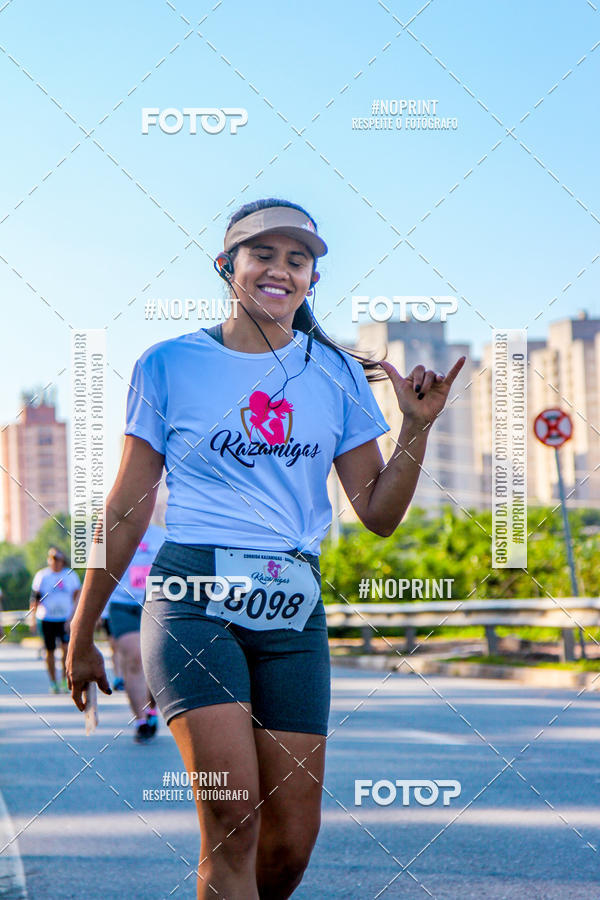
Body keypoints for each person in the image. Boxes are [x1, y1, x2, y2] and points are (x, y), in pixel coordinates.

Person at [67, 198, 465, 898]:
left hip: (292, 608)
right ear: (228, 266)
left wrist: (416, 430)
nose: (281, 269)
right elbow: (126, 508)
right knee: (232, 821)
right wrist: (82, 629)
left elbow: (376, 515)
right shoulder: (168, 364)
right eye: (263, 254)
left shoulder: (336, 374)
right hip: (192, 600)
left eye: (298, 258)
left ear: (312, 277)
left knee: (290, 841)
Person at [106, 522, 166, 741]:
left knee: (155, 661)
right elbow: (98, 574)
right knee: (135, 658)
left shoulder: (163, 535)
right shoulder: (110, 534)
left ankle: (151, 709)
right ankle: (141, 720)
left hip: (155, 603)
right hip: (122, 606)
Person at [31, 547, 81, 693]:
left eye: (57, 559)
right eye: (52, 559)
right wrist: (33, 620)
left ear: (62, 560)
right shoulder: (42, 576)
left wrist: (74, 616)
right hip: (46, 618)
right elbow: (35, 599)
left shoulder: (70, 575)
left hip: (65, 619)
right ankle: (53, 682)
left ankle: (65, 680)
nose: (55, 562)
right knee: (50, 651)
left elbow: (77, 597)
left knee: (66, 650)